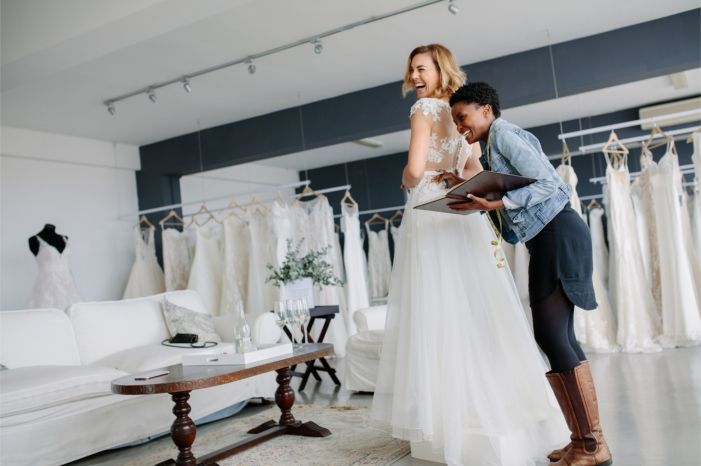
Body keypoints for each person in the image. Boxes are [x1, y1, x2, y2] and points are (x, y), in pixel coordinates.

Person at [371, 44, 567, 466]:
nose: (416, 77)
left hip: (429, 209)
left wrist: (409, 178)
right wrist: (454, 176)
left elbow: (413, 166)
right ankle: (492, 403)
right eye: (412, 70)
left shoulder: (424, 109)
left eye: (421, 68)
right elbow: (475, 171)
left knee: (435, 308)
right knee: (477, 305)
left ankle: (446, 415)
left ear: (439, 69)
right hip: (463, 208)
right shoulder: (461, 114)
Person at [444, 81, 612, 466]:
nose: (460, 126)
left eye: (462, 116)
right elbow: (507, 197)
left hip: (558, 233)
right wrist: (468, 192)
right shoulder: (490, 147)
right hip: (549, 237)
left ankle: (593, 446)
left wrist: (497, 201)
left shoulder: (503, 133)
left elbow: (550, 183)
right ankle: (583, 440)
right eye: (455, 121)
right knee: (558, 337)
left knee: (552, 336)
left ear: (486, 109)